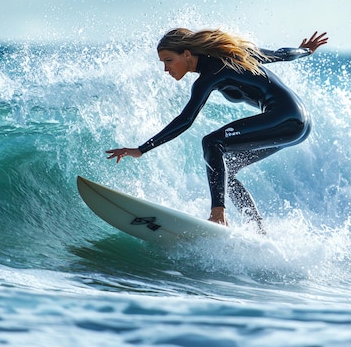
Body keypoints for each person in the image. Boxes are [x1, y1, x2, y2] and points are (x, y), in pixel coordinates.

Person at [106, 28, 328, 233]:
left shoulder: (213, 73)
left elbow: (185, 120)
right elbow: (282, 55)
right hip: (298, 124)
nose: (166, 69)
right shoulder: (231, 57)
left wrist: (142, 149)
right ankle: (257, 227)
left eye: (168, 60)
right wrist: (305, 51)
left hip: (287, 118)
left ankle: (218, 214)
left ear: (186, 54)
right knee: (225, 171)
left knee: (213, 143)